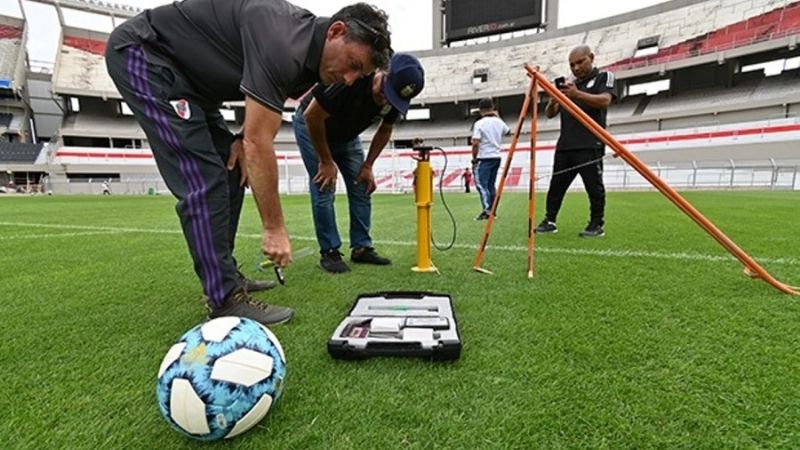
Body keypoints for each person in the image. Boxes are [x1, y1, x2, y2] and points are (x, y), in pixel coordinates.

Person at [105, 0, 392, 325]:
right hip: (146, 55)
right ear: (336, 32)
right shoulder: (286, 42)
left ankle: (226, 277)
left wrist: (241, 138)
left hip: (195, 86)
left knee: (230, 169)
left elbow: (254, 120)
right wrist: (274, 228)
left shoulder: (310, 62)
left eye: (361, 74)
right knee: (204, 179)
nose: (351, 79)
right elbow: (259, 142)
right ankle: (224, 298)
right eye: (353, 63)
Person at [293, 53, 425, 273]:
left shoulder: (396, 95)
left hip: (346, 134)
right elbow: (312, 116)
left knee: (362, 185)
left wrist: (368, 166)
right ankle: (330, 252)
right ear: (382, 71)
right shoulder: (352, 78)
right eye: (385, 91)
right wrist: (326, 161)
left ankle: (361, 248)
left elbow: (385, 129)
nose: (385, 99)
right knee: (324, 184)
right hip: (312, 125)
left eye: (392, 98)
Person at [535, 45, 616, 238]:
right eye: (572, 65)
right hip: (565, 145)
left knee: (594, 186)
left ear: (591, 57)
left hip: (590, 144)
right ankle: (550, 220)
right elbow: (550, 113)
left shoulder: (604, 77)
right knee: (556, 186)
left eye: (580, 62)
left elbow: (605, 100)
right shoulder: (569, 84)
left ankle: (596, 224)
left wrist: (577, 95)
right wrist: (555, 99)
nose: (576, 68)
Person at [471, 97, 509, 220]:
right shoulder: (499, 122)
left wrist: (474, 158)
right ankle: (492, 210)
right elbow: (508, 131)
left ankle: (487, 210)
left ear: (480, 110)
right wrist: (498, 116)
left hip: (484, 157)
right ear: (492, 108)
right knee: (491, 185)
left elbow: (475, 142)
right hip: (496, 156)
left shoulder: (479, 123)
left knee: (482, 185)